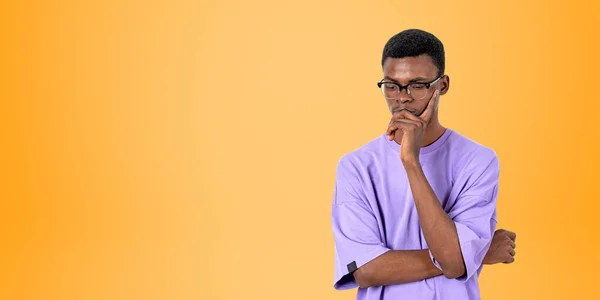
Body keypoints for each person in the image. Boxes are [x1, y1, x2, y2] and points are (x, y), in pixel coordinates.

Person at [331, 29, 516, 300]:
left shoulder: (478, 160)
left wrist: (410, 161)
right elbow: (366, 270)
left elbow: (455, 262)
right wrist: (473, 254)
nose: (402, 98)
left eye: (417, 85)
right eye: (392, 85)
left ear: (442, 85)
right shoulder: (356, 166)